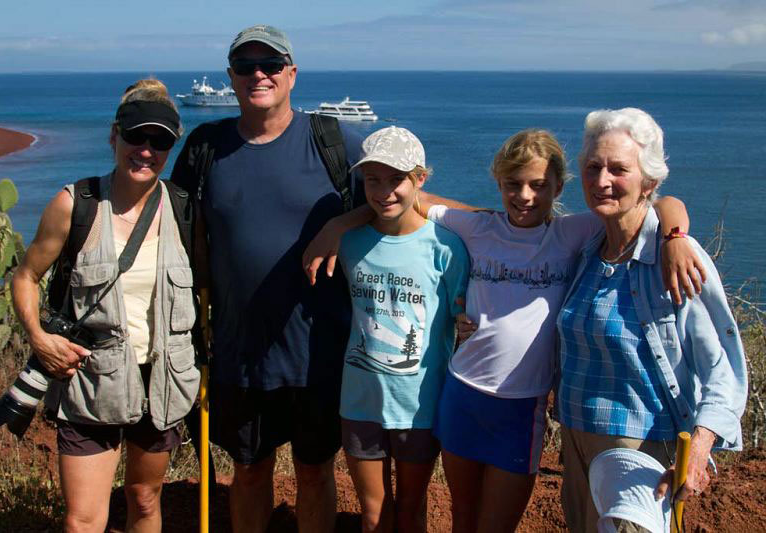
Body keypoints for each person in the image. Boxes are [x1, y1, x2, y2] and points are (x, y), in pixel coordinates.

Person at [305, 128, 702, 533]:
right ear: (498, 183)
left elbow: (658, 203)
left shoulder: (572, 233)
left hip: (521, 408)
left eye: (538, 185)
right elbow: (406, 201)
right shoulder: (477, 227)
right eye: (513, 184)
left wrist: (675, 236)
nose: (524, 196)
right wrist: (339, 224)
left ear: (558, 186)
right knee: (462, 520)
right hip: (461, 395)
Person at [171, 25, 364, 533]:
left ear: (292, 74)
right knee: (250, 471)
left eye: (271, 64)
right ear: (231, 77)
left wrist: (342, 223)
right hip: (239, 353)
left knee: (315, 472)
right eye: (245, 66)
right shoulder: (206, 147)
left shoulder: (332, 140)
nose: (259, 74)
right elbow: (170, 224)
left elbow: (396, 199)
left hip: (318, 353)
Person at [12, 79, 200, 532]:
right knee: (82, 519)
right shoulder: (76, 205)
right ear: (114, 135)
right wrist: (38, 338)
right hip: (89, 380)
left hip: (161, 383)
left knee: (145, 500)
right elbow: (25, 276)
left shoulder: (184, 210)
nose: (146, 150)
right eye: (136, 136)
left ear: (171, 148)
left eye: (160, 141)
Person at [557, 107, 748, 532]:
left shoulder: (674, 259)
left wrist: (700, 448)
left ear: (649, 182)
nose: (601, 180)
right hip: (576, 441)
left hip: (640, 451)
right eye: (593, 167)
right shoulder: (587, 249)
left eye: (618, 169)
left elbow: (721, 366)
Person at [336, 126, 469, 532]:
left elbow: (463, 324)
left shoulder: (446, 247)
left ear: (420, 179)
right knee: (373, 514)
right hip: (359, 401)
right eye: (372, 180)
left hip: (420, 406)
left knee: (411, 510)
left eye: (396, 179)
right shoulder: (348, 243)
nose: (383, 192)